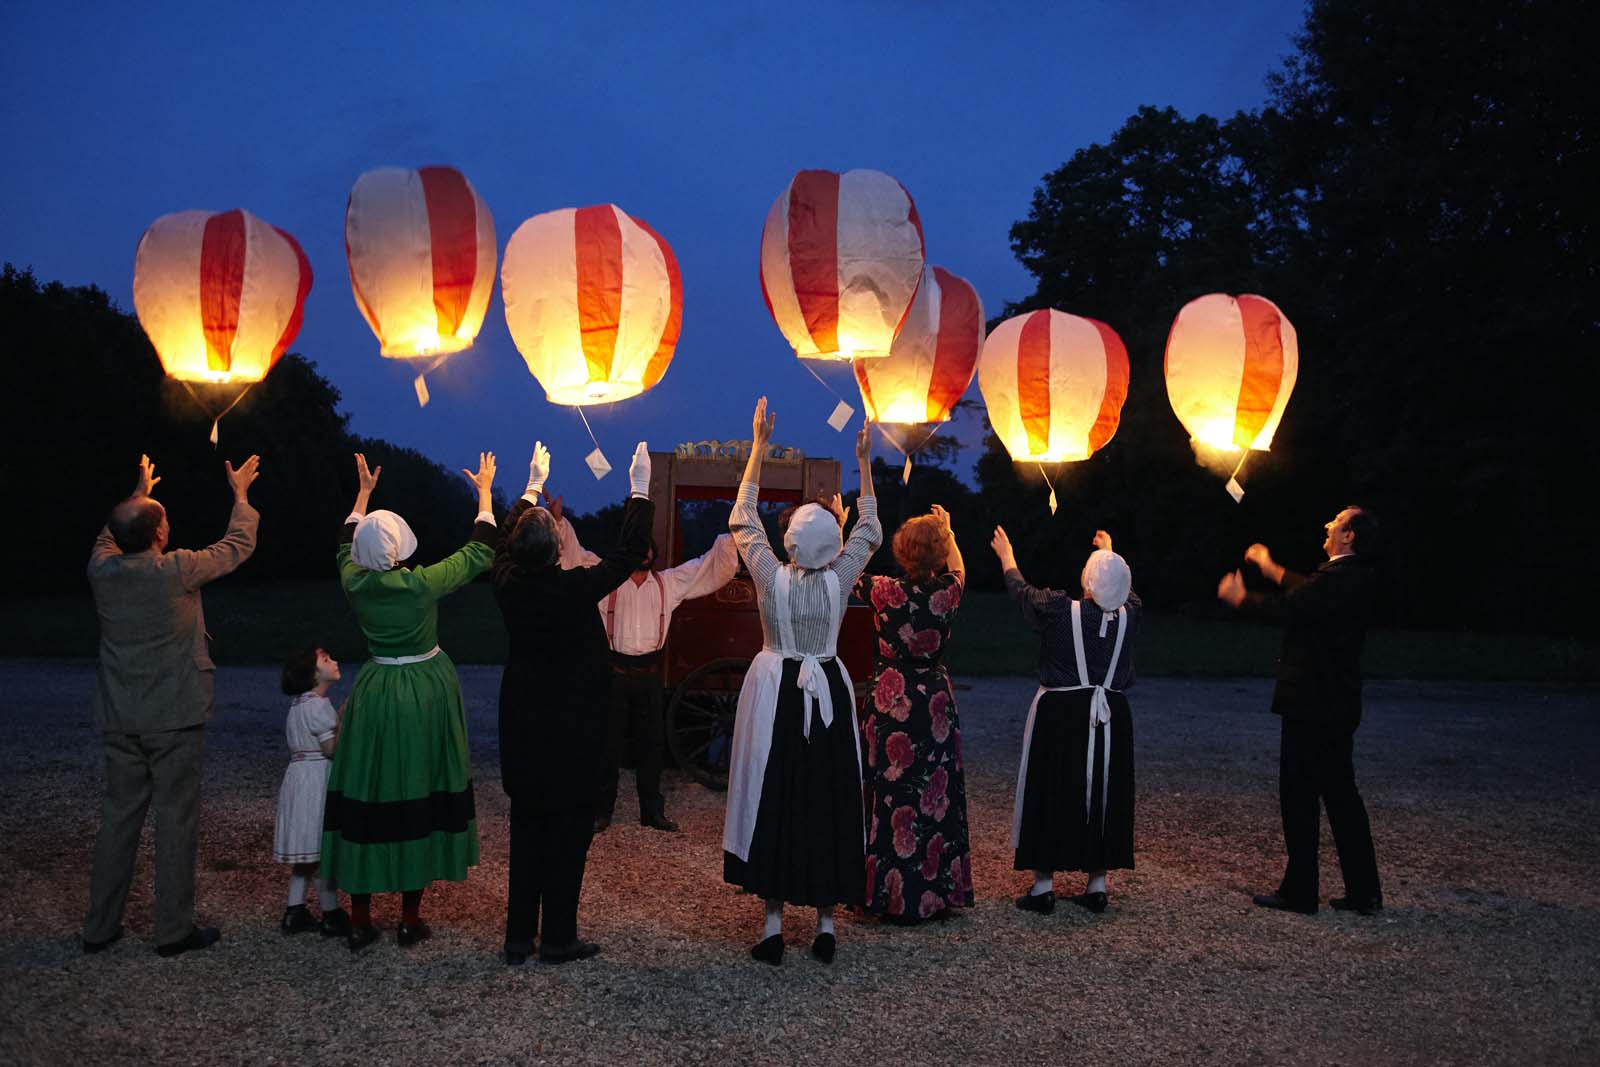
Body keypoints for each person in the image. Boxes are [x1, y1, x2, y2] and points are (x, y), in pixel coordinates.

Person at [723, 397, 882, 966]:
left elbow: (743, 518)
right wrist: (863, 462)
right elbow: (869, 529)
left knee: (776, 793)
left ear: (790, 539)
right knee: (827, 796)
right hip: (827, 692)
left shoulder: (769, 576)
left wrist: (759, 447)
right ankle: (825, 924)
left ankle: (771, 927)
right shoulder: (841, 578)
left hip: (777, 691)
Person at [82, 452, 260, 958]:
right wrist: (241, 496)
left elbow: (107, 535)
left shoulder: (103, 570)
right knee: (175, 821)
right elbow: (238, 545)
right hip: (174, 717)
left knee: (118, 820)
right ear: (159, 534)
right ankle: (172, 930)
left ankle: (99, 928)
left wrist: (137, 493)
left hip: (120, 716)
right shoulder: (177, 570)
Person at [322, 451, 497, 952]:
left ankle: (359, 920)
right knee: (419, 788)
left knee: (368, 790)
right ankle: (409, 917)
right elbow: (479, 552)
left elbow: (343, 541)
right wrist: (484, 491)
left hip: (377, 689)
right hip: (422, 691)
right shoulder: (419, 585)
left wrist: (361, 495)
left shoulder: (354, 581)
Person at [493, 441, 655, 965]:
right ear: (557, 549)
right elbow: (629, 556)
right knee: (566, 838)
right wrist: (638, 489)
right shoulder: (574, 589)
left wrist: (531, 487)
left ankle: (519, 937)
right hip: (571, 737)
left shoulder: (508, 585)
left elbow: (499, 542)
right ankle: (558, 937)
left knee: (526, 832)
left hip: (524, 729)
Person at [1217, 506, 1383, 916]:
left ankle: (1301, 891)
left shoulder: (1337, 579)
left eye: (1338, 522)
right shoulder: (1354, 577)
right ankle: (1364, 893)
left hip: (1312, 704)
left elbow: (1293, 605)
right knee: (1342, 796)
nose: (1328, 524)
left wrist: (1241, 599)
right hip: (1337, 703)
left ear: (1349, 537)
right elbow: (1306, 592)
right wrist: (1271, 568)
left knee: (1300, 796)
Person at [556, 500, 739, 834]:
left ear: (652, 554)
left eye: (646, 549)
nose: (642, 554)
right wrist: (558, 522)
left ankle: (651, 811)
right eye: (636, 548)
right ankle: (602, 811)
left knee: (651, 746)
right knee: (607, 747)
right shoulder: (605, 579)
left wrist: (731, 535)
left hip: (649, 676)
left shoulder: (668, 583)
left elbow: (705, 567)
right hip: (614, 674)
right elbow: (574, 556)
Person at [993, 526, 1139, 915]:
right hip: (1111, 716)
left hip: (1060, 714)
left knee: (1051, 786)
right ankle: (1097, 882)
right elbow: (1124, 590)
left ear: (1087, 582)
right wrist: (1111, 554)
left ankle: (1043, 886)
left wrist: (1007, 556)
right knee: (1103, 791)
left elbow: (1022, 593)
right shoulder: (1131, 613)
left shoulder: (1060, 609)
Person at [856, 505, 973, 923]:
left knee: (890, 798)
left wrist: (839, 523)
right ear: (939, 554)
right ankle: (934, 894)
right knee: (935, 796)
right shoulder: (946, 594)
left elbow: (844, 566)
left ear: (902, 553)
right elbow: (959, 568)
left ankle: (885, 893)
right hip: (934, 703)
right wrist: (950, 532)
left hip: (893, 699)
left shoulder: (882, 589)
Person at [273, 645, 349, 938]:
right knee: (320, 853)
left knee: (305, 857)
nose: (334, 661)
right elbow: (330, 749)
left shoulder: (298, 705)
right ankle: (331, 913)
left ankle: (295, 911)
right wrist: (343, 721)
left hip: (297, 777)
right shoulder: (318, 706)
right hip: (316, 779)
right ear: (313, 674)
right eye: (327, 660)